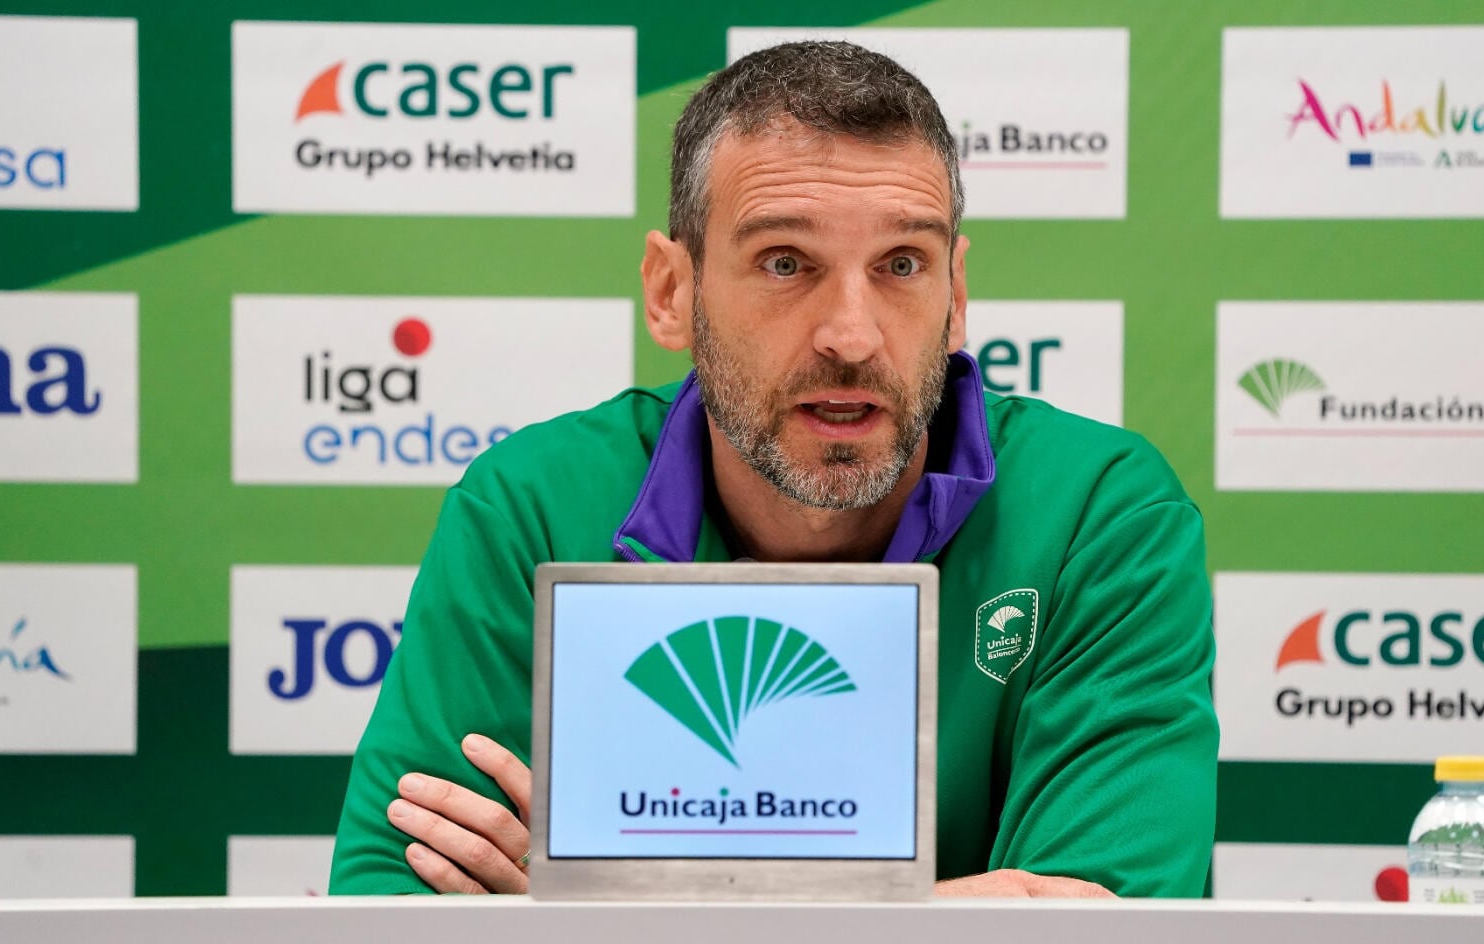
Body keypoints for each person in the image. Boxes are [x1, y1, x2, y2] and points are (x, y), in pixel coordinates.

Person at [329, 40, 1216, 899]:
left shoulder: (1102, 514)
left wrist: (611, 915)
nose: (853, 335)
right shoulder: (528, 507)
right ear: (672, 290)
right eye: (786, 263)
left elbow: (1099, 926)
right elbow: (391, 908)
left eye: (903, 264)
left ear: (957, 296)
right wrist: (954, 915)